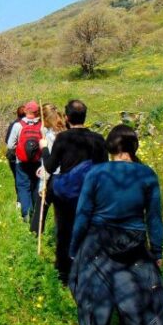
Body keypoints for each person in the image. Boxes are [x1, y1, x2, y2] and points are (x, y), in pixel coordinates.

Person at [68, 124, 163, 325]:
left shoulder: (97, 173)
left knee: (93, 289)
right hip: (134, 242)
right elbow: (154, 219)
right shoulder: (146, 175)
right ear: (133, 148)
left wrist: (74, 249)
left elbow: (82, 214)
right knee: (135, 296)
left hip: (99, 240)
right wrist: (158, 251)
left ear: (110, 148)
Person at [43, 100, 107, 283]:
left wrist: (44, 150)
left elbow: (49, 166)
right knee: (90, 229)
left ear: (67, 117)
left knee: (64, 231)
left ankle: (65, 272)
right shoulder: (98, 139)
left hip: (67, 195)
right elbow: (105, 168)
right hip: (92, 193)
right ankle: (91, 266)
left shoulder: (63, 138)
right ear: (85, 117)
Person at [30, 104, 66, 234]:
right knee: (61, 211)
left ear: (45, 118)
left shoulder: (50, 136)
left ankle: (35, 234)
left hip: (53, 177)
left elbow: (50, 161)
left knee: (41, 207)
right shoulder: (64, 132)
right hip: (66, 176)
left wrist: (42, 183)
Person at [7, 101, 42, 223]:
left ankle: (26, 212)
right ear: (37, 112)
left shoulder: (18, 125)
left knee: (23, 186)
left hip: (21, 162)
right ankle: (36, 213)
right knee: (36, 186)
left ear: (26, 111)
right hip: (37, 162)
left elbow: (10, 144)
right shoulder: (41, 126)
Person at [5, 105, 27, 200]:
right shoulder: (32, 124)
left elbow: (7, 141)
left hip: (14, 155)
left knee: (17, 178)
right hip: (29, 155)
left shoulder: (14, 124)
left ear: (17, 114)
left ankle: (19, 199)